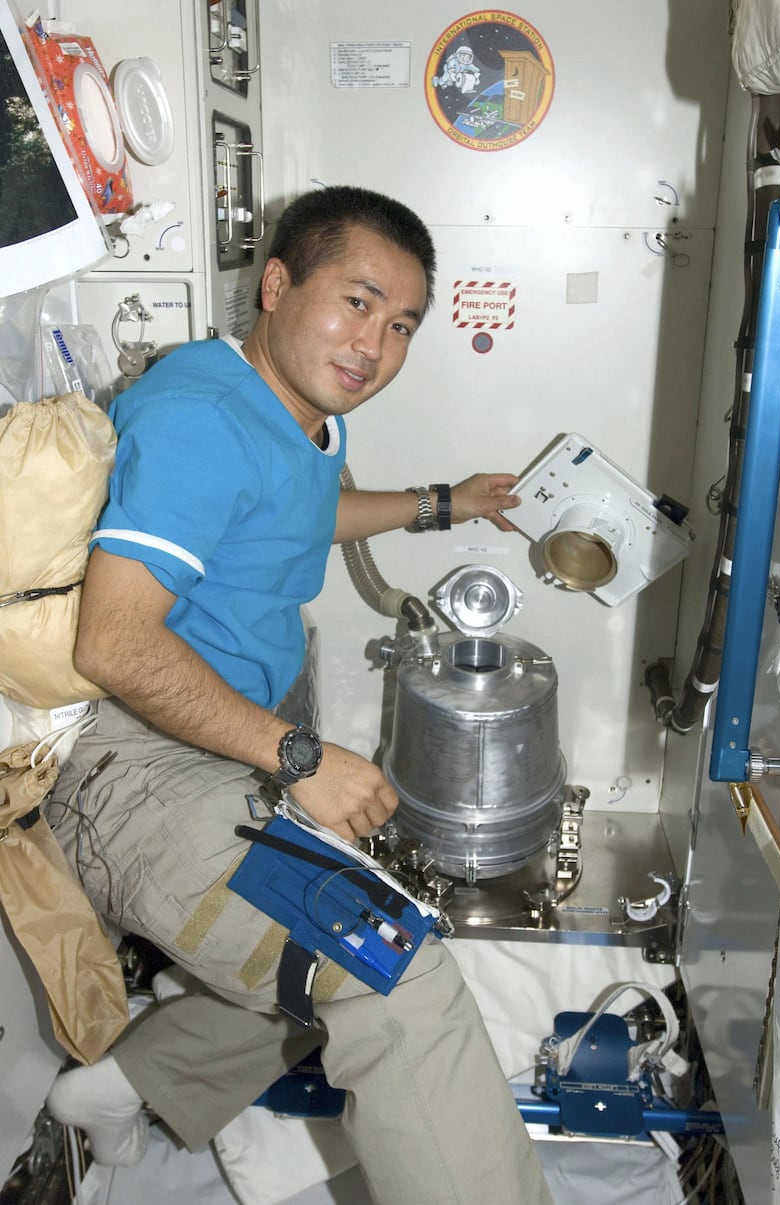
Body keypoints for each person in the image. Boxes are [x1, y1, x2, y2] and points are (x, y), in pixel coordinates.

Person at [45, 185, 552, 1205]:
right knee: (386, 968)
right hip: (132, 770)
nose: (375, 342)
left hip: (216, 747)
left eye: (400, 323)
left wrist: (443, 502)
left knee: (315, 949)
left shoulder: (295, 416)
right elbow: (112, 640)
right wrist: (302, 758)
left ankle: (122, 1085)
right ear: (276, 284)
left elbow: (295, 512)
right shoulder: (199, 415)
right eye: (357, 301)